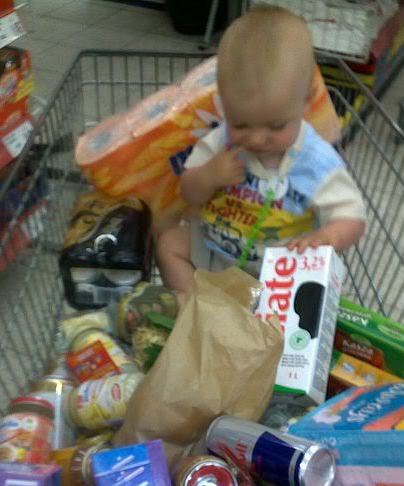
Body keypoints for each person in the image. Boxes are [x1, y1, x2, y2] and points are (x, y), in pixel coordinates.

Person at [156, 5, 366, 294]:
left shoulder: (317, 164)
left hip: (278, 276)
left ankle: (252, 315)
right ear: (224, 103)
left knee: (307, 296)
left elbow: (351, 217)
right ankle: (194, 306)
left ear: (306, 101)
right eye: (240, 123)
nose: (256, 139)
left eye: (275, 126)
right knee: (169, 244)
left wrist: (327, 237)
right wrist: (207, 176)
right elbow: (189, 192)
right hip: (217, 251)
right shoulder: (220, 142)